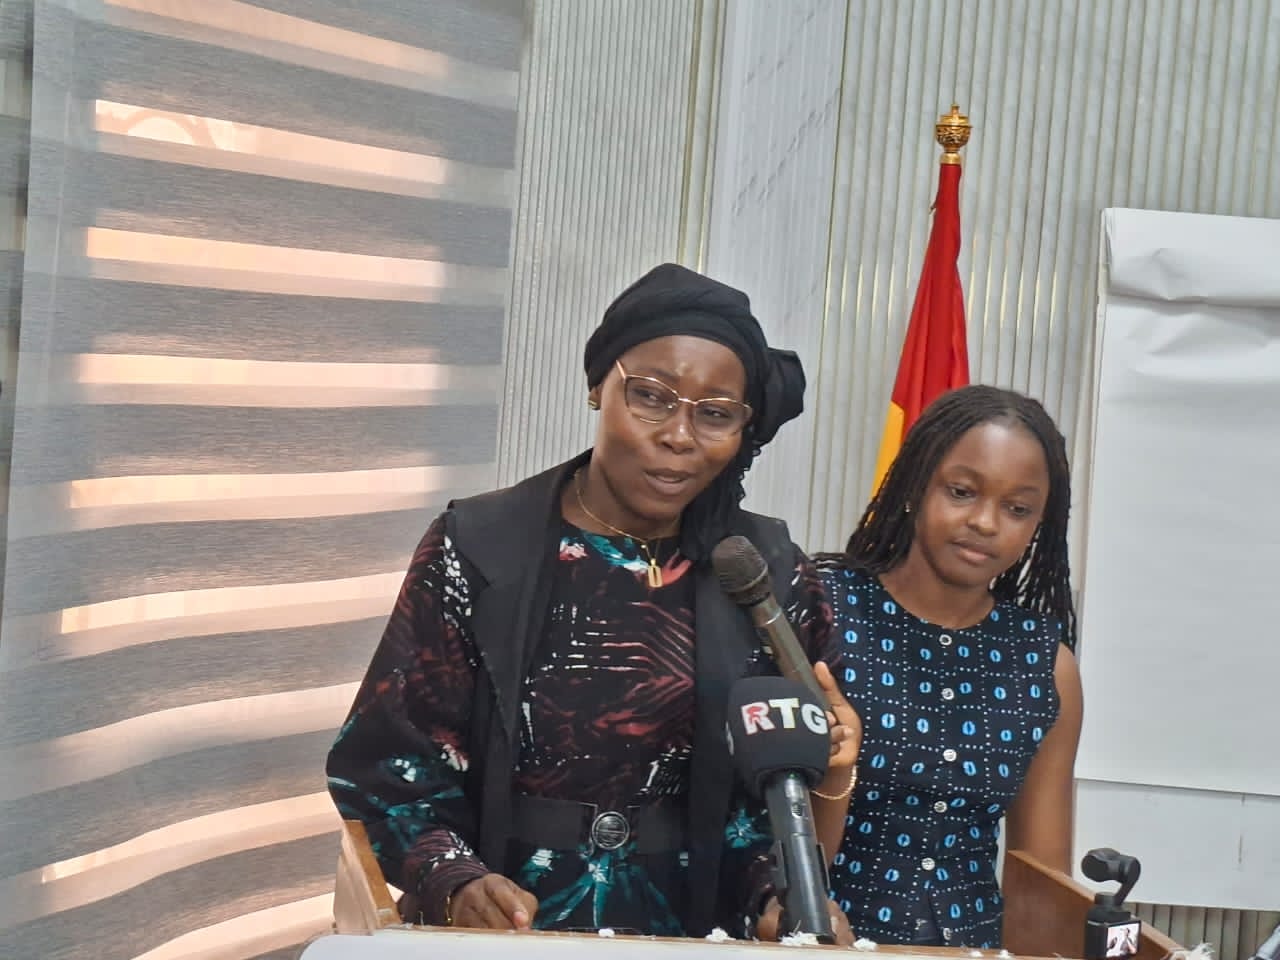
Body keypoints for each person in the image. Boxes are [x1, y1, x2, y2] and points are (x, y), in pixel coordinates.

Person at [327, 263, 857, 942]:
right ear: (597, 385)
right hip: (501, 937)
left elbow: (775, 801)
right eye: (651, 397)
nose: (679, 435)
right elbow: (384, 769)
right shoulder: (479, 547)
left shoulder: (767, 575)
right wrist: (454, 880)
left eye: (715, 414)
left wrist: (774, 902)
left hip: (694, 939)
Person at [815, 384, 1083, 948]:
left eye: (1017, 509)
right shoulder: (823, 614)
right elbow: (760, 835)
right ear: (916, 485)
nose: (985, 522)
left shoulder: (1044, 664)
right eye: (962, 492)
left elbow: (1040, 882)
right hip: (821, 939)